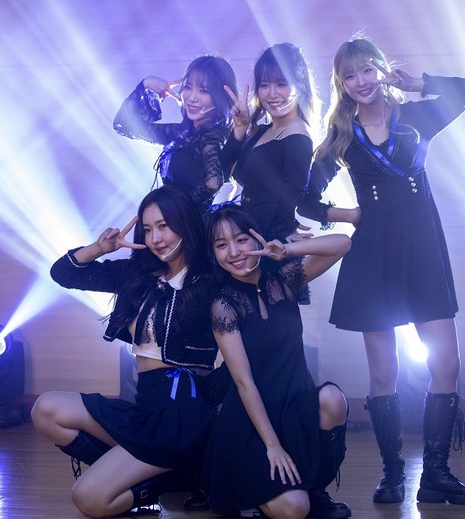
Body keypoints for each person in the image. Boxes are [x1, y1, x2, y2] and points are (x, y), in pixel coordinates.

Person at [297, 35, 465, 506]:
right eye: (350, 75)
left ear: (382, 70)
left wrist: (418, 82)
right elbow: (305, 200)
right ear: (341, 84)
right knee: (384, 373)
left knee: (447, 364)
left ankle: (437, 474)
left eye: (368, 70)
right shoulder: (341, 135)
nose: (361, 81)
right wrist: (348, 215)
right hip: (374, 258)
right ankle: (392, 475)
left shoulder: (417, 117)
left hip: (423, 250)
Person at [31, 185, 219, 518]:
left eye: (163, 226)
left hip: (179, 413)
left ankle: (167, 473)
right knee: (46, 409)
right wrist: (100, 248)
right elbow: (63, 273)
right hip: (145, 404)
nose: (155, 238)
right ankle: (170, 477)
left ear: (185, 224)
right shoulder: (139, 275)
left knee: (88, 499)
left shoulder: (207, 283)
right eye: (147, 229)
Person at [201, 203, 352, 519]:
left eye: (241, 239)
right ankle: (266, 494)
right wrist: (272, 445)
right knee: (295, 509)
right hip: (249, 425)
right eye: (221, 245)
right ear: (213, 253)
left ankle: (315, 488)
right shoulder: (223, 305)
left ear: (256, 238)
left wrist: (287, 249)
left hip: (293, 410)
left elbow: (342, 243)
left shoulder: (285, 280)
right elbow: (243, 382)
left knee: (333, 399)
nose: (234, 252)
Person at [114, 55, 239, 214]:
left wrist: (174, 211)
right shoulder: (183, 133)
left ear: (219, 97)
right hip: (175, 223)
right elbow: (124, 125)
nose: (192, 98)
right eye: (188, 87)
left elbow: (213, 184)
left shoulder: (211, 137)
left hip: (188, 225)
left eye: (203, 91)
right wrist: (147, 83)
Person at [222, 42, 319, 244]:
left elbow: (292, 195)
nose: (272, 94)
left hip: (268, 243)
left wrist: (284, 230)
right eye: (264, 85)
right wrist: (240, 128)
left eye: (281, 84)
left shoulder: (298, 136)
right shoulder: (263, 131)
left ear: (300, 86)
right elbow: (223, 170)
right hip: (247, 236)